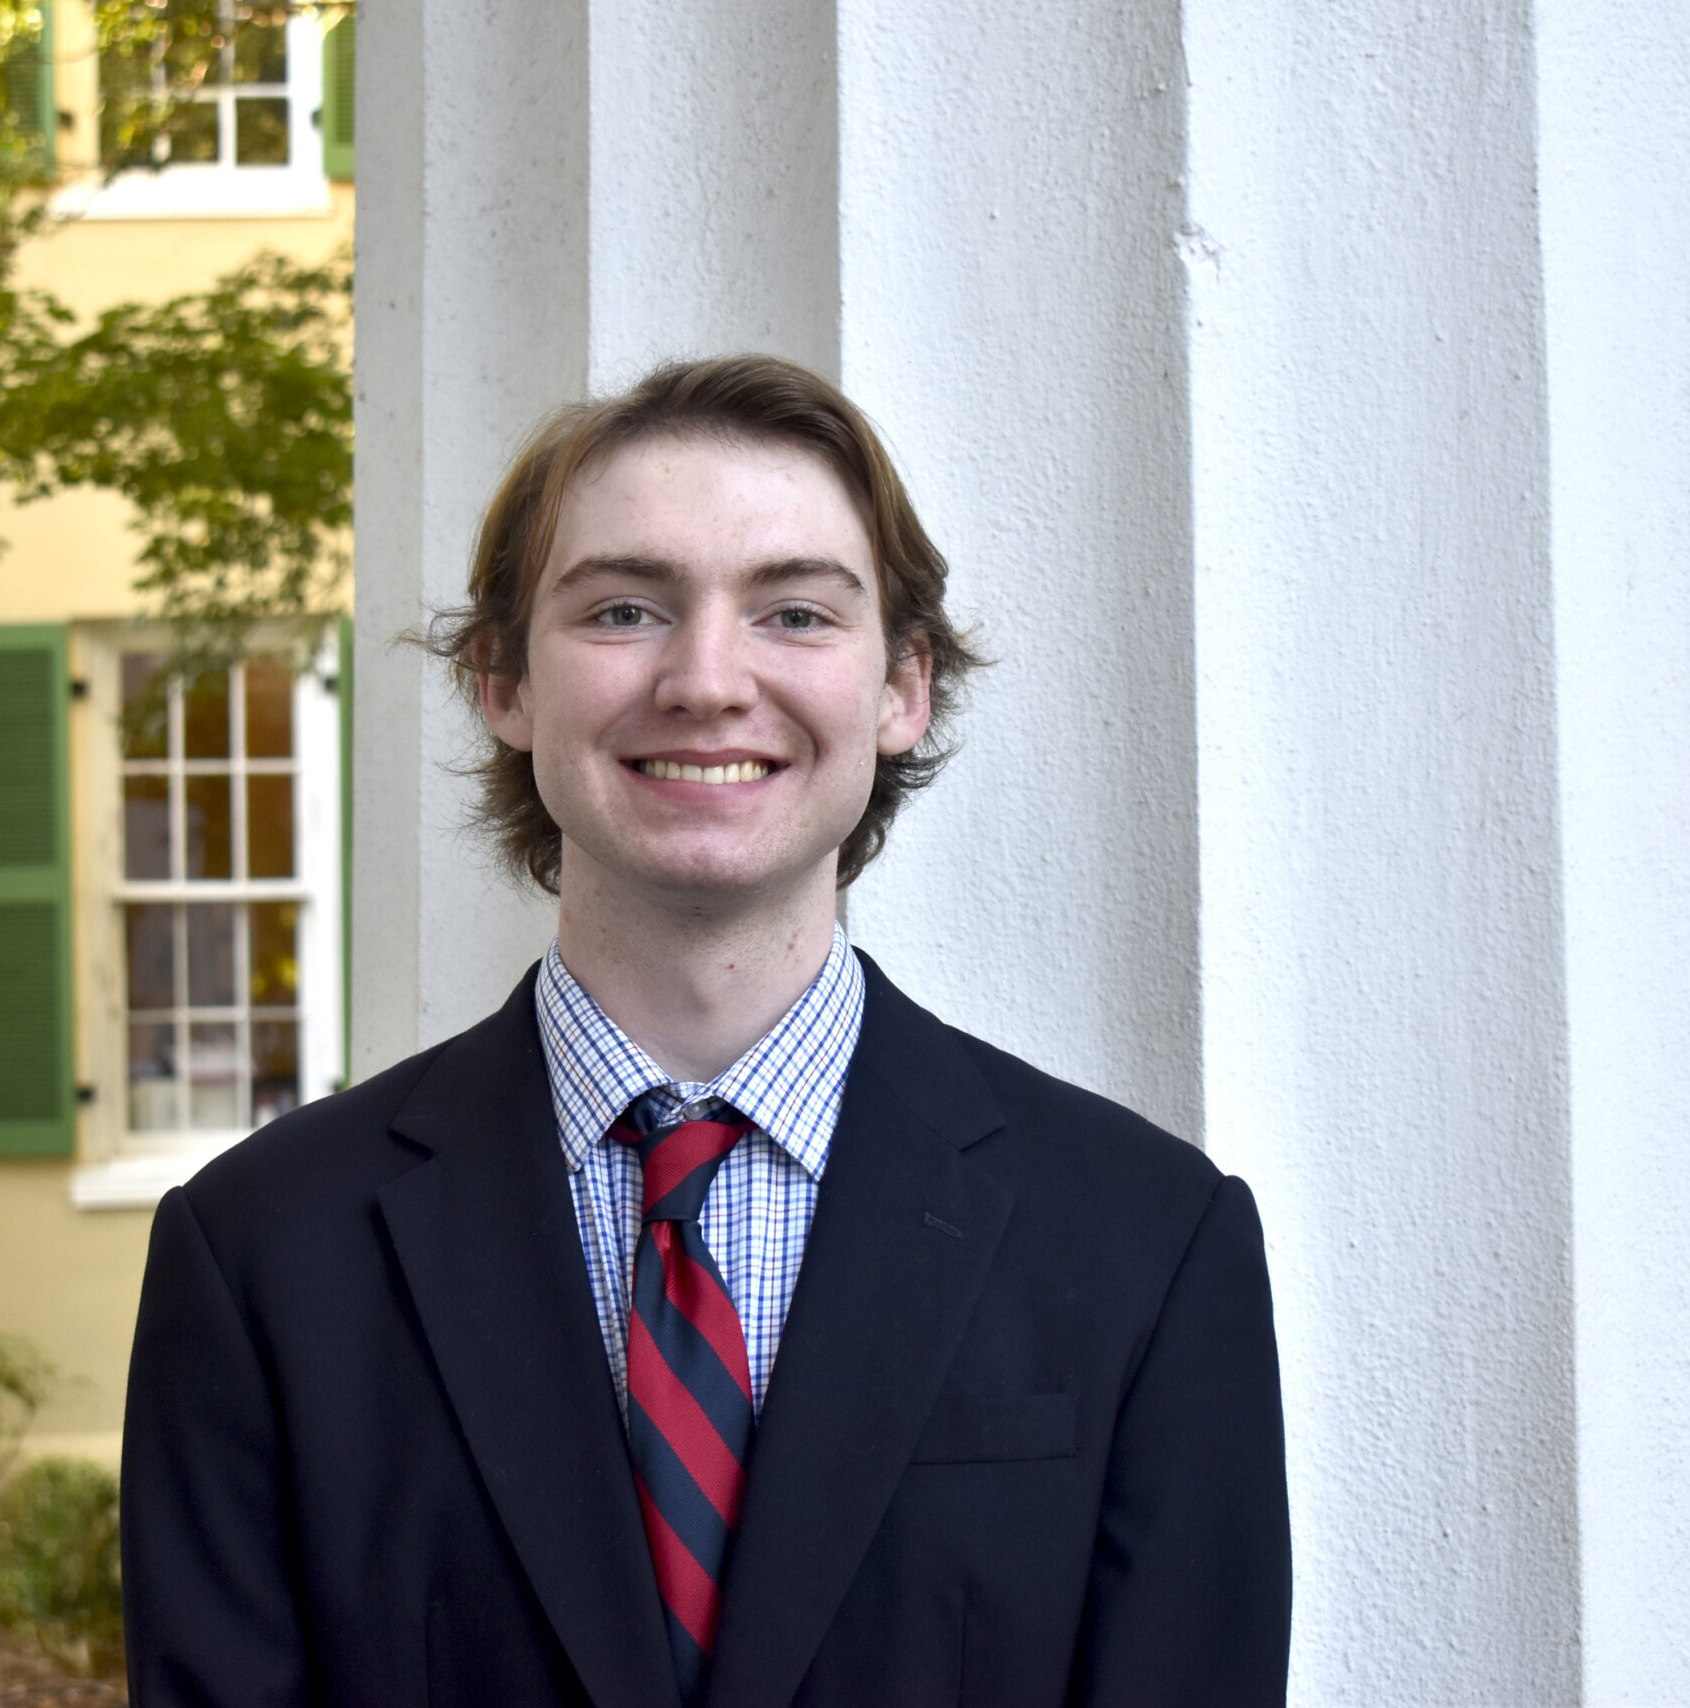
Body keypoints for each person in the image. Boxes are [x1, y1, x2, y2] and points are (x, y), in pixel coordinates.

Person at [120, 354, 1290, 1707]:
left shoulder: (1151, 1244)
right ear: (502, 680)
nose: (707, 680)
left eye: (795, 613)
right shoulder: (259, 1255)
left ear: (902, 688)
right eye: (624, 609)